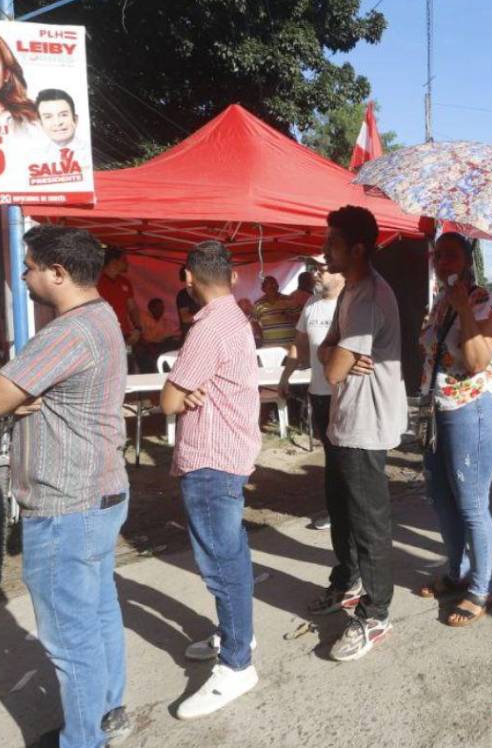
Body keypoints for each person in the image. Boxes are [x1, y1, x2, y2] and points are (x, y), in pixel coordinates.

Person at [0, 225, 131, 747]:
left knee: (71, 638)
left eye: (31, 265)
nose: (24, 274)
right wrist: (26, 394)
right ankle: (108, 715)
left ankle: (84, 740)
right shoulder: (101, 317)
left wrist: (13, 393)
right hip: (98, 492)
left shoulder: (68, 333)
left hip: (65, 505)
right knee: (99, 614)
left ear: (58, 274)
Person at [160, 240, 261, 718]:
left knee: (221, 562)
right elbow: (185, 391)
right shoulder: (235, 317)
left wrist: (184, 391)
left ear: (187, 280)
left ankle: (237, 662)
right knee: (230, 553)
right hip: (230, 449)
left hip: (211, 454)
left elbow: (168, 400)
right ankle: (237, 632)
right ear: (234, 276)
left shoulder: (207, 326)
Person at [311, 205, 407, 661]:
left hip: (365, 424)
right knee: (344, 512)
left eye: (332, 242)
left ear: (358, 248)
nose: (325, 249)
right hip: (344, 421)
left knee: (369, 523)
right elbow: (326, 353)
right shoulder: (349, 291)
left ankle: (376, 613)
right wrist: (336, 351)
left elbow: (330, 370)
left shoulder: (368, 295)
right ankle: (347, 581)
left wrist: (335, 355)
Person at [416, 232, 492, 626]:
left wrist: (463, 311)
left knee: (471, 504)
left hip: (473, 410)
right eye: (439, 256)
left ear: (468, 262)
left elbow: (475, 362)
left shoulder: (483, 301)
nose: (443, 263)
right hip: (437, 410)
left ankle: (481, 587)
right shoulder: (439, 304)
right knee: (441, 497)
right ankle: (457, 571)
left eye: (451, 256)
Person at [281, 260, 343, 450]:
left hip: (345, 394)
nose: (316, 274)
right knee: (327, 446)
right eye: (315, 269)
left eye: (322, 270)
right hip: (319, 392)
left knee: (346, 451)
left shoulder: (352, 303)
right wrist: (285, 378)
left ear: (340, 273)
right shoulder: (311, 303)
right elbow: (298, 344)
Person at [97, 247, 142, 351]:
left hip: (125, 335)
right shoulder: (96, 282)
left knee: (126, 364)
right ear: (114, 262)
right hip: (104, 336)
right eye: (124, 260)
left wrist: (138, 329)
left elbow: (133, 308)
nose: (127, 263)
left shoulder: (125, 282)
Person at [251, 275, 300, 347]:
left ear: (278, 286)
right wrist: (260, 335)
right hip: (269, 345)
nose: (273, 287)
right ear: (263, 289)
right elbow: (254, 322)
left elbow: (301, 318)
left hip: (289, 344)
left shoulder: (289, 299)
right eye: (270, 285)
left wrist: (292, 317)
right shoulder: (258, 304)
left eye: (275, 284)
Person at [35, 89, 88, 154]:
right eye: (48, 117)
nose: (57, 123)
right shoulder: (35, 157)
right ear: (41, 124)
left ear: (75, 119)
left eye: (63, 115)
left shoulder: (90, 150)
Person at [135, 297, 180, 371]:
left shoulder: (164, 320)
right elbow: (139, 336)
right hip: (146, 345)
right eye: (158, 307)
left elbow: (173, 332)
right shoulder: (142, 317)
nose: (161, 310)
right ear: (151, 308)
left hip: (160, 345)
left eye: (162, 307)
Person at [176, 265, 200, 340]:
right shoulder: (183, 295)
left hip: (202, 333)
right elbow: (185, 318)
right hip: (190, 335)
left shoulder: (201, 293)